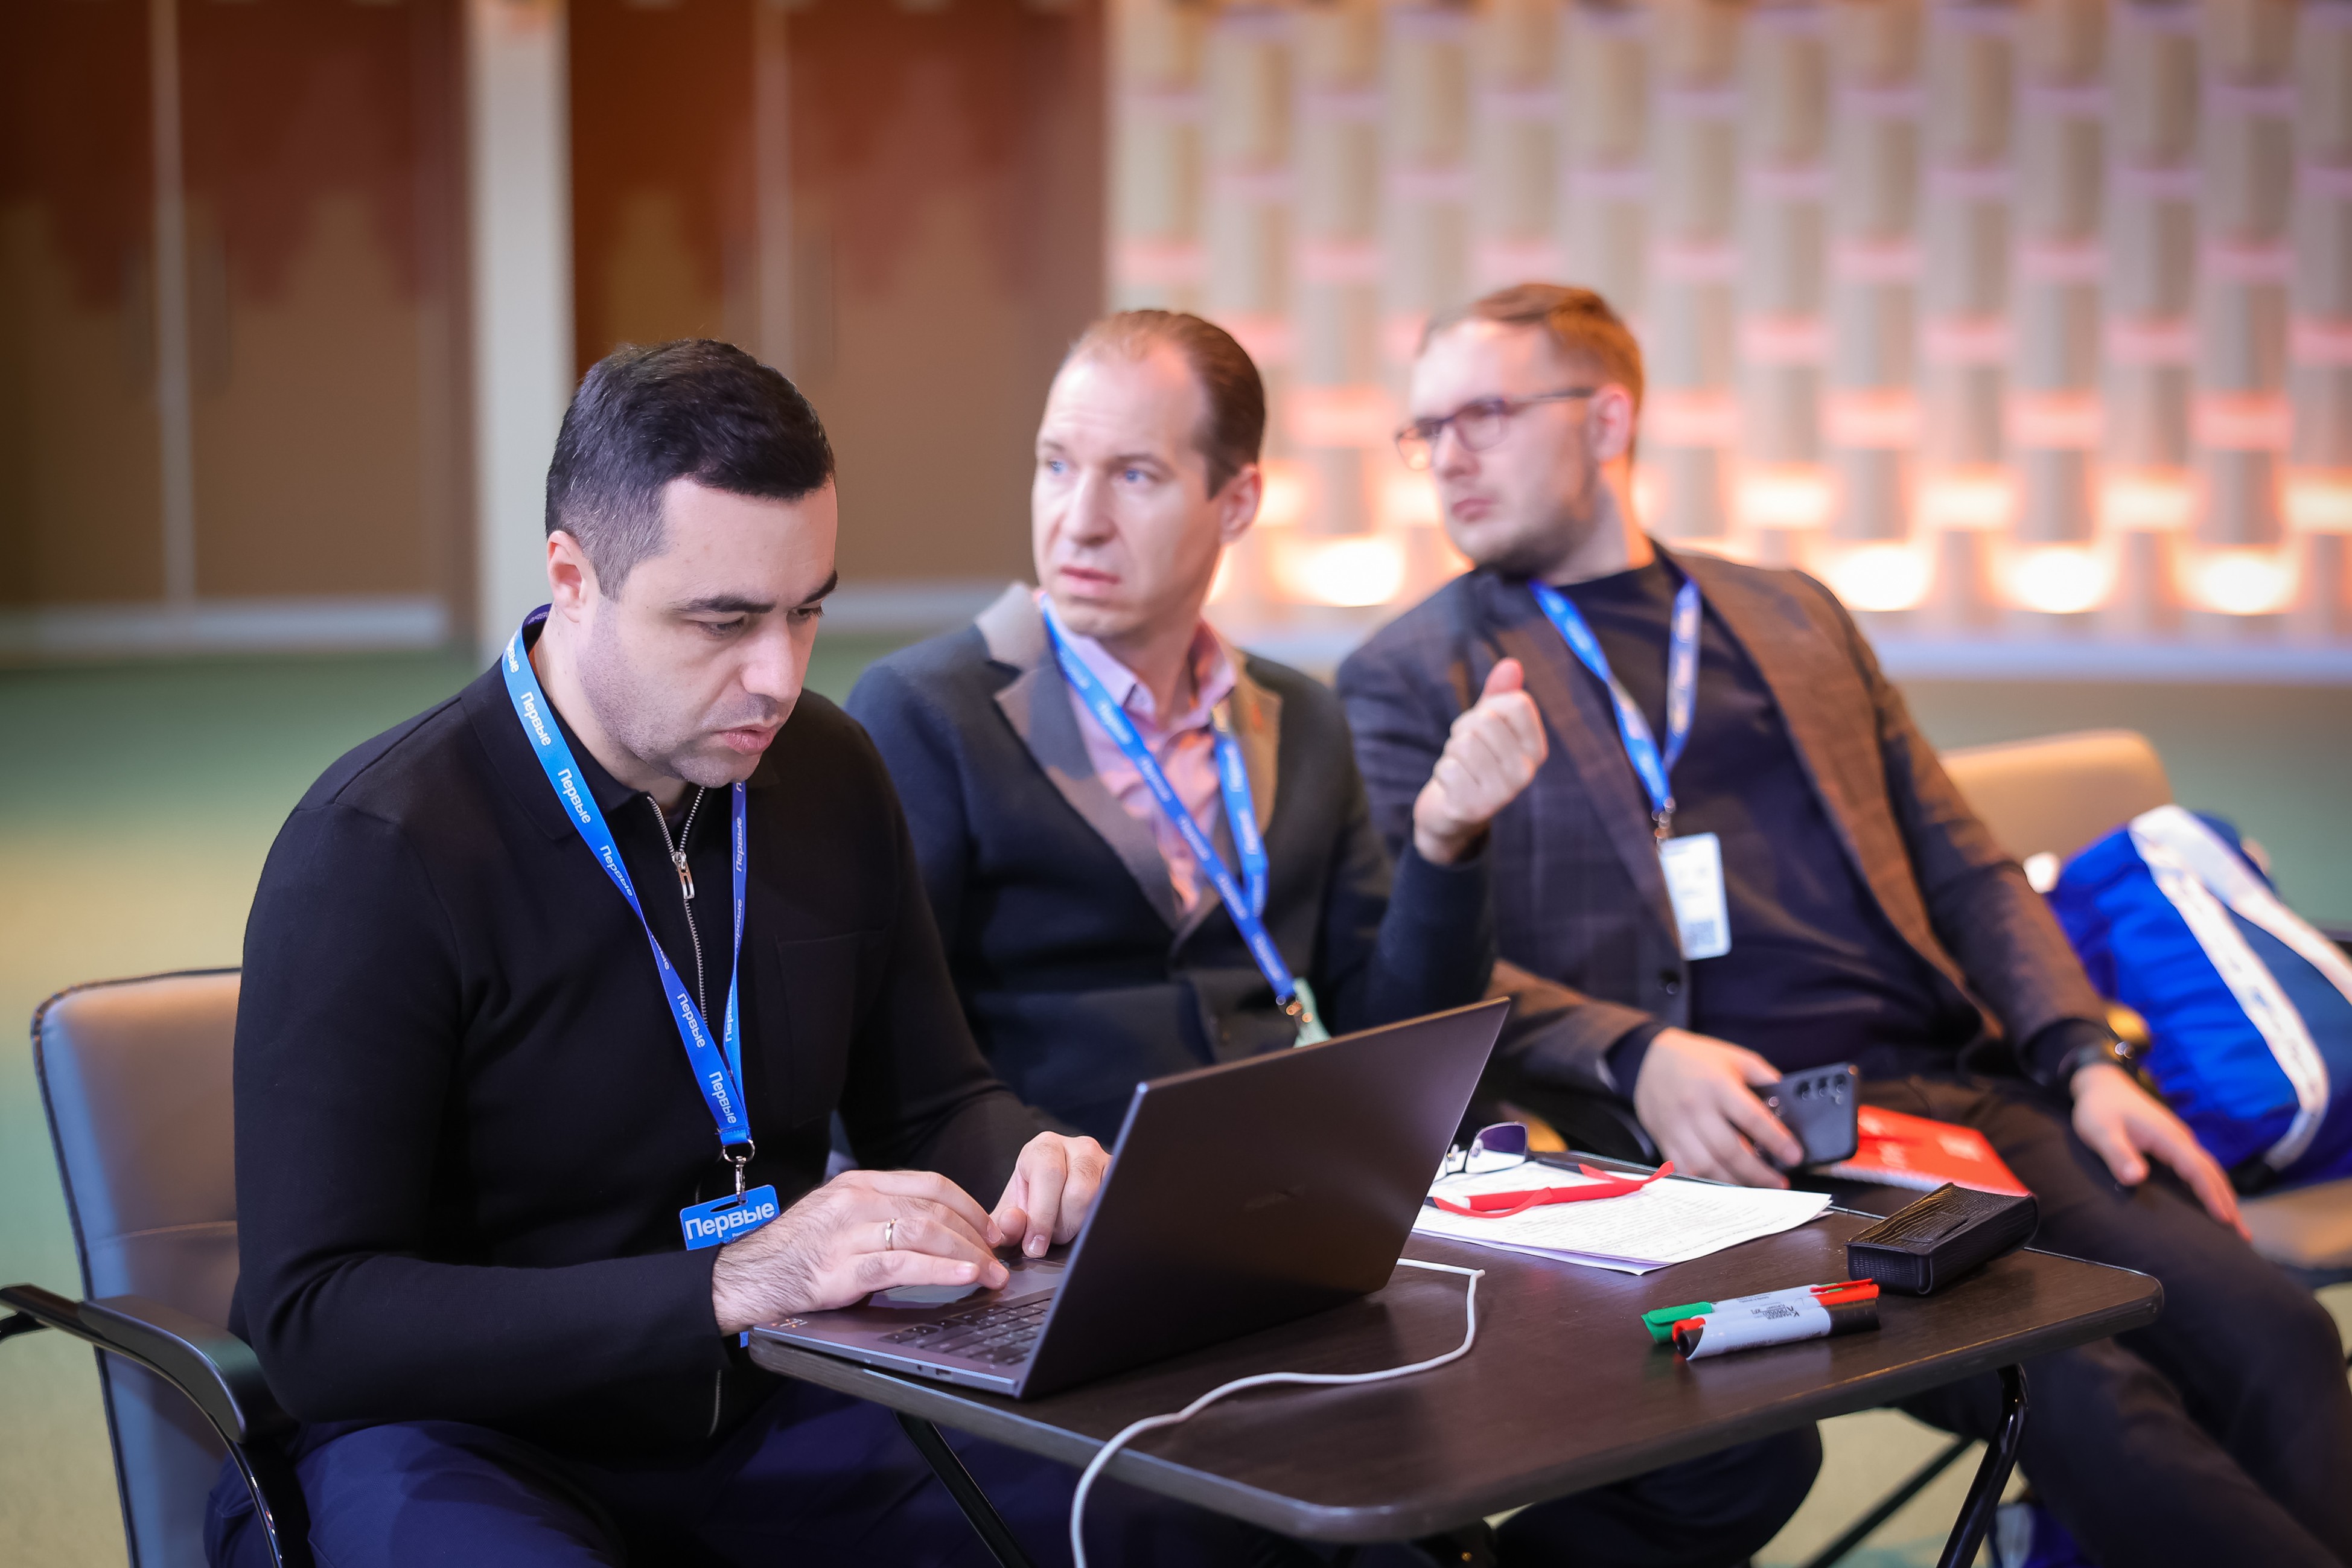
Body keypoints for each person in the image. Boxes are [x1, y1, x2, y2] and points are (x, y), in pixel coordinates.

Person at [213, 339, 1401, 1568]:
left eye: (806, 609)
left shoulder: (824, 772)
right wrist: (729, 1281)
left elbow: (931, 1101)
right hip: (460, 1438)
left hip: (770, 1398)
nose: (778, 678)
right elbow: (317, 1320)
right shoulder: (381, 846)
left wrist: (1033, 1159)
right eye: (723, 621)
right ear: (573, 577)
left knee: (1200, 1517)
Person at [1338, 282, 2352, 1568]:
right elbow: (1419, 972)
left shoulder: (1791, 614)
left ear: (1606, 420)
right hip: (1749, 1154)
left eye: (1482, 413)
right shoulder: (1410, 674)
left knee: (2275, 1334)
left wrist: (2083, 1057)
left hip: (1961, 1093)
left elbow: (1965, 864)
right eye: (1424, 429)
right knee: (2085, 1388)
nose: (1446, 456)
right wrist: (1634, 1053)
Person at [848, 310, 1823, 1568]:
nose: (1075, 519)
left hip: (1320, 1235)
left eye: (1132, 475)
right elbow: (905, 1075)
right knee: (1338, 1532)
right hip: (1093, 1257)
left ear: (1236, 500)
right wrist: (1040, 1178)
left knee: (1745, 1437)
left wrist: (1447, 841)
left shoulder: (1294, 720)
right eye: (1055, 465)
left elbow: (1397, 1023)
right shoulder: (927, 710)